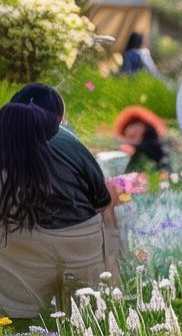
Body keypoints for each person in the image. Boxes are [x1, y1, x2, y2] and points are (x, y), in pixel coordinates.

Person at [0, 90, 117, 318]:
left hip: (21, 252)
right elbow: (103, 203)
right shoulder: (68, 142)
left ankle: (21, 313)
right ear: (57, 119)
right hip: (81, 242)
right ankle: (98, 303)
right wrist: (111, 257)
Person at [113, 105, 168, 171]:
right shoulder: (138, 149)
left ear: (141, 125)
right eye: (130, 137)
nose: (131, 140)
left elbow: (146, 145)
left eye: (133, 136)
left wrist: (126, 142)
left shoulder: (152, 140)